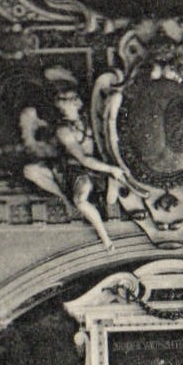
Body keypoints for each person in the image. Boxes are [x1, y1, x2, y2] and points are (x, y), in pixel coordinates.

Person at [20, 73, 120, 250]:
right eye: (66, 101)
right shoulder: (63, 130)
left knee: (104, 198)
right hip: (78, 171)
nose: (72, 104)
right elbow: (83, 158)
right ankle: (106, 239)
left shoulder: (89, 121)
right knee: (80, 201)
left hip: (98, 169)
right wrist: (111, 169)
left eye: (72, 100)